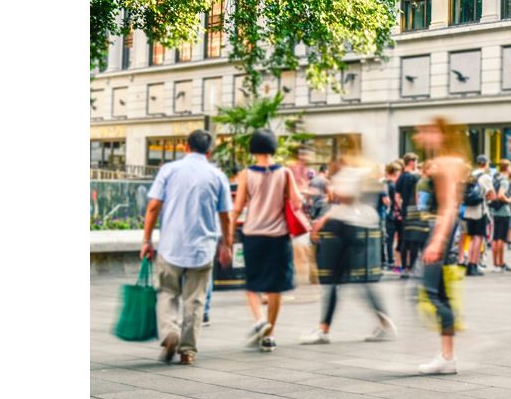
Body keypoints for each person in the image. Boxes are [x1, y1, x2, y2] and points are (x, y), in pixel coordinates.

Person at [142, 130, 233, 365]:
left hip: (171, 246)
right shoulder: (217, 175)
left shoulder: (169, 170)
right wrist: (227, 245)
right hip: (202, 248)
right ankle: (187, 350)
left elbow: (153, 207)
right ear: (209, 151)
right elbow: (226, 216)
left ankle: (170, 332)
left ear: (185, 147)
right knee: (195, 300)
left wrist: (146, 240)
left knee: (167, 293)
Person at [300, 151, 397, 345]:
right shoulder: (360, 173)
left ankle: (324, 330)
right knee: (353, 283)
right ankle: (383, 324)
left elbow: (346, 200)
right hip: (356, 228)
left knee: (335, 282)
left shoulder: (349, 175)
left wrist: (327, 206)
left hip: (346, 230)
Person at [228, 130, 303, 353]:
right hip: (279, 236)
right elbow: (297, 202)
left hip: (253, 234)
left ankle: (259, 319)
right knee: (275, 288)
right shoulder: (285, 173)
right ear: (273, 148)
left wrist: (230, 234)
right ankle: (269, 335)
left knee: (252, 284)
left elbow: (238, 207)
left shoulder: (246, 174)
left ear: (253, 149)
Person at [412, 117, 468, 374]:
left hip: (440, 231)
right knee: (437, 292)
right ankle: (447, 356)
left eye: (425, 131)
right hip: (443, 232)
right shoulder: (450, 161)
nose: (419, 136)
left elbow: (448, 208)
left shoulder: (445, 163)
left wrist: (437, 240)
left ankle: (448, 355)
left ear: (440, 134)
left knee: (431, 292)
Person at [459, 155, 496, 276]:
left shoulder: (470, 175)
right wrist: (487, 198)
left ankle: (467, 262)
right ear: (485, 164)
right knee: (478, 237)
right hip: (480, 210)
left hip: (468, 210)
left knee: (469, 237)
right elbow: (492, 195)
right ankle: (473, 264)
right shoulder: (485, 177)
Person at [394, 153, 421, 276]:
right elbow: (418, 195)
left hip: (405, 210)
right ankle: (412, 267)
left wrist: (401, 207)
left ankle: (405, 267)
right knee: (414, 239)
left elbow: (397, 196)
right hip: (414, 209)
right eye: (415, 161)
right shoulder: (415, 177)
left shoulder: (400, 177)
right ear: (411, 162)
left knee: (404, 238)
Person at [488, 160, 511, 272]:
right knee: (501, 238)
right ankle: (500, 262)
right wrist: (509, 200)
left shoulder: (496, 178)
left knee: (495, 237)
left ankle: (495, 262)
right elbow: (500, 195)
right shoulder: (504, 181)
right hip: (504, 211)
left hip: (496, 211)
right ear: (507, 168)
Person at [380, 161, 401, 271]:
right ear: (395, 173)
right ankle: (391, 261)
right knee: (392, 238)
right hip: (393, 214)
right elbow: (394, 201)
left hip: (387, 214)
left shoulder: (384, 184)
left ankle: (387, 260)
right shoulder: (393, 185)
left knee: (388, 239)